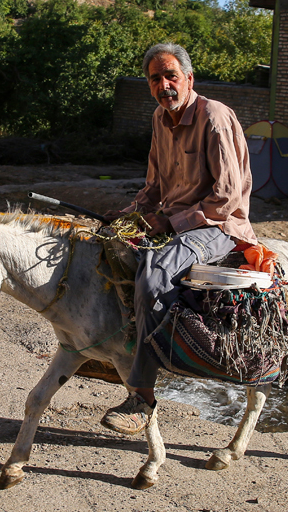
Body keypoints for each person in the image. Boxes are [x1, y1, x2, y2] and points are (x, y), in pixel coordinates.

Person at [100, 43, 257, 435]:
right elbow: (154, 186)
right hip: (174, 219)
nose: (164, 85)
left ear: (189, 78)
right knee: (104, 249)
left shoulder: (214, 117)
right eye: (156, 78)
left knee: (154, 276)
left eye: (171, 76)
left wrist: (168, 224)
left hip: (218, 226)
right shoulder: (159, 118)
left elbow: (226, 198)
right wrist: (128, 214)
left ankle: (142, 398)